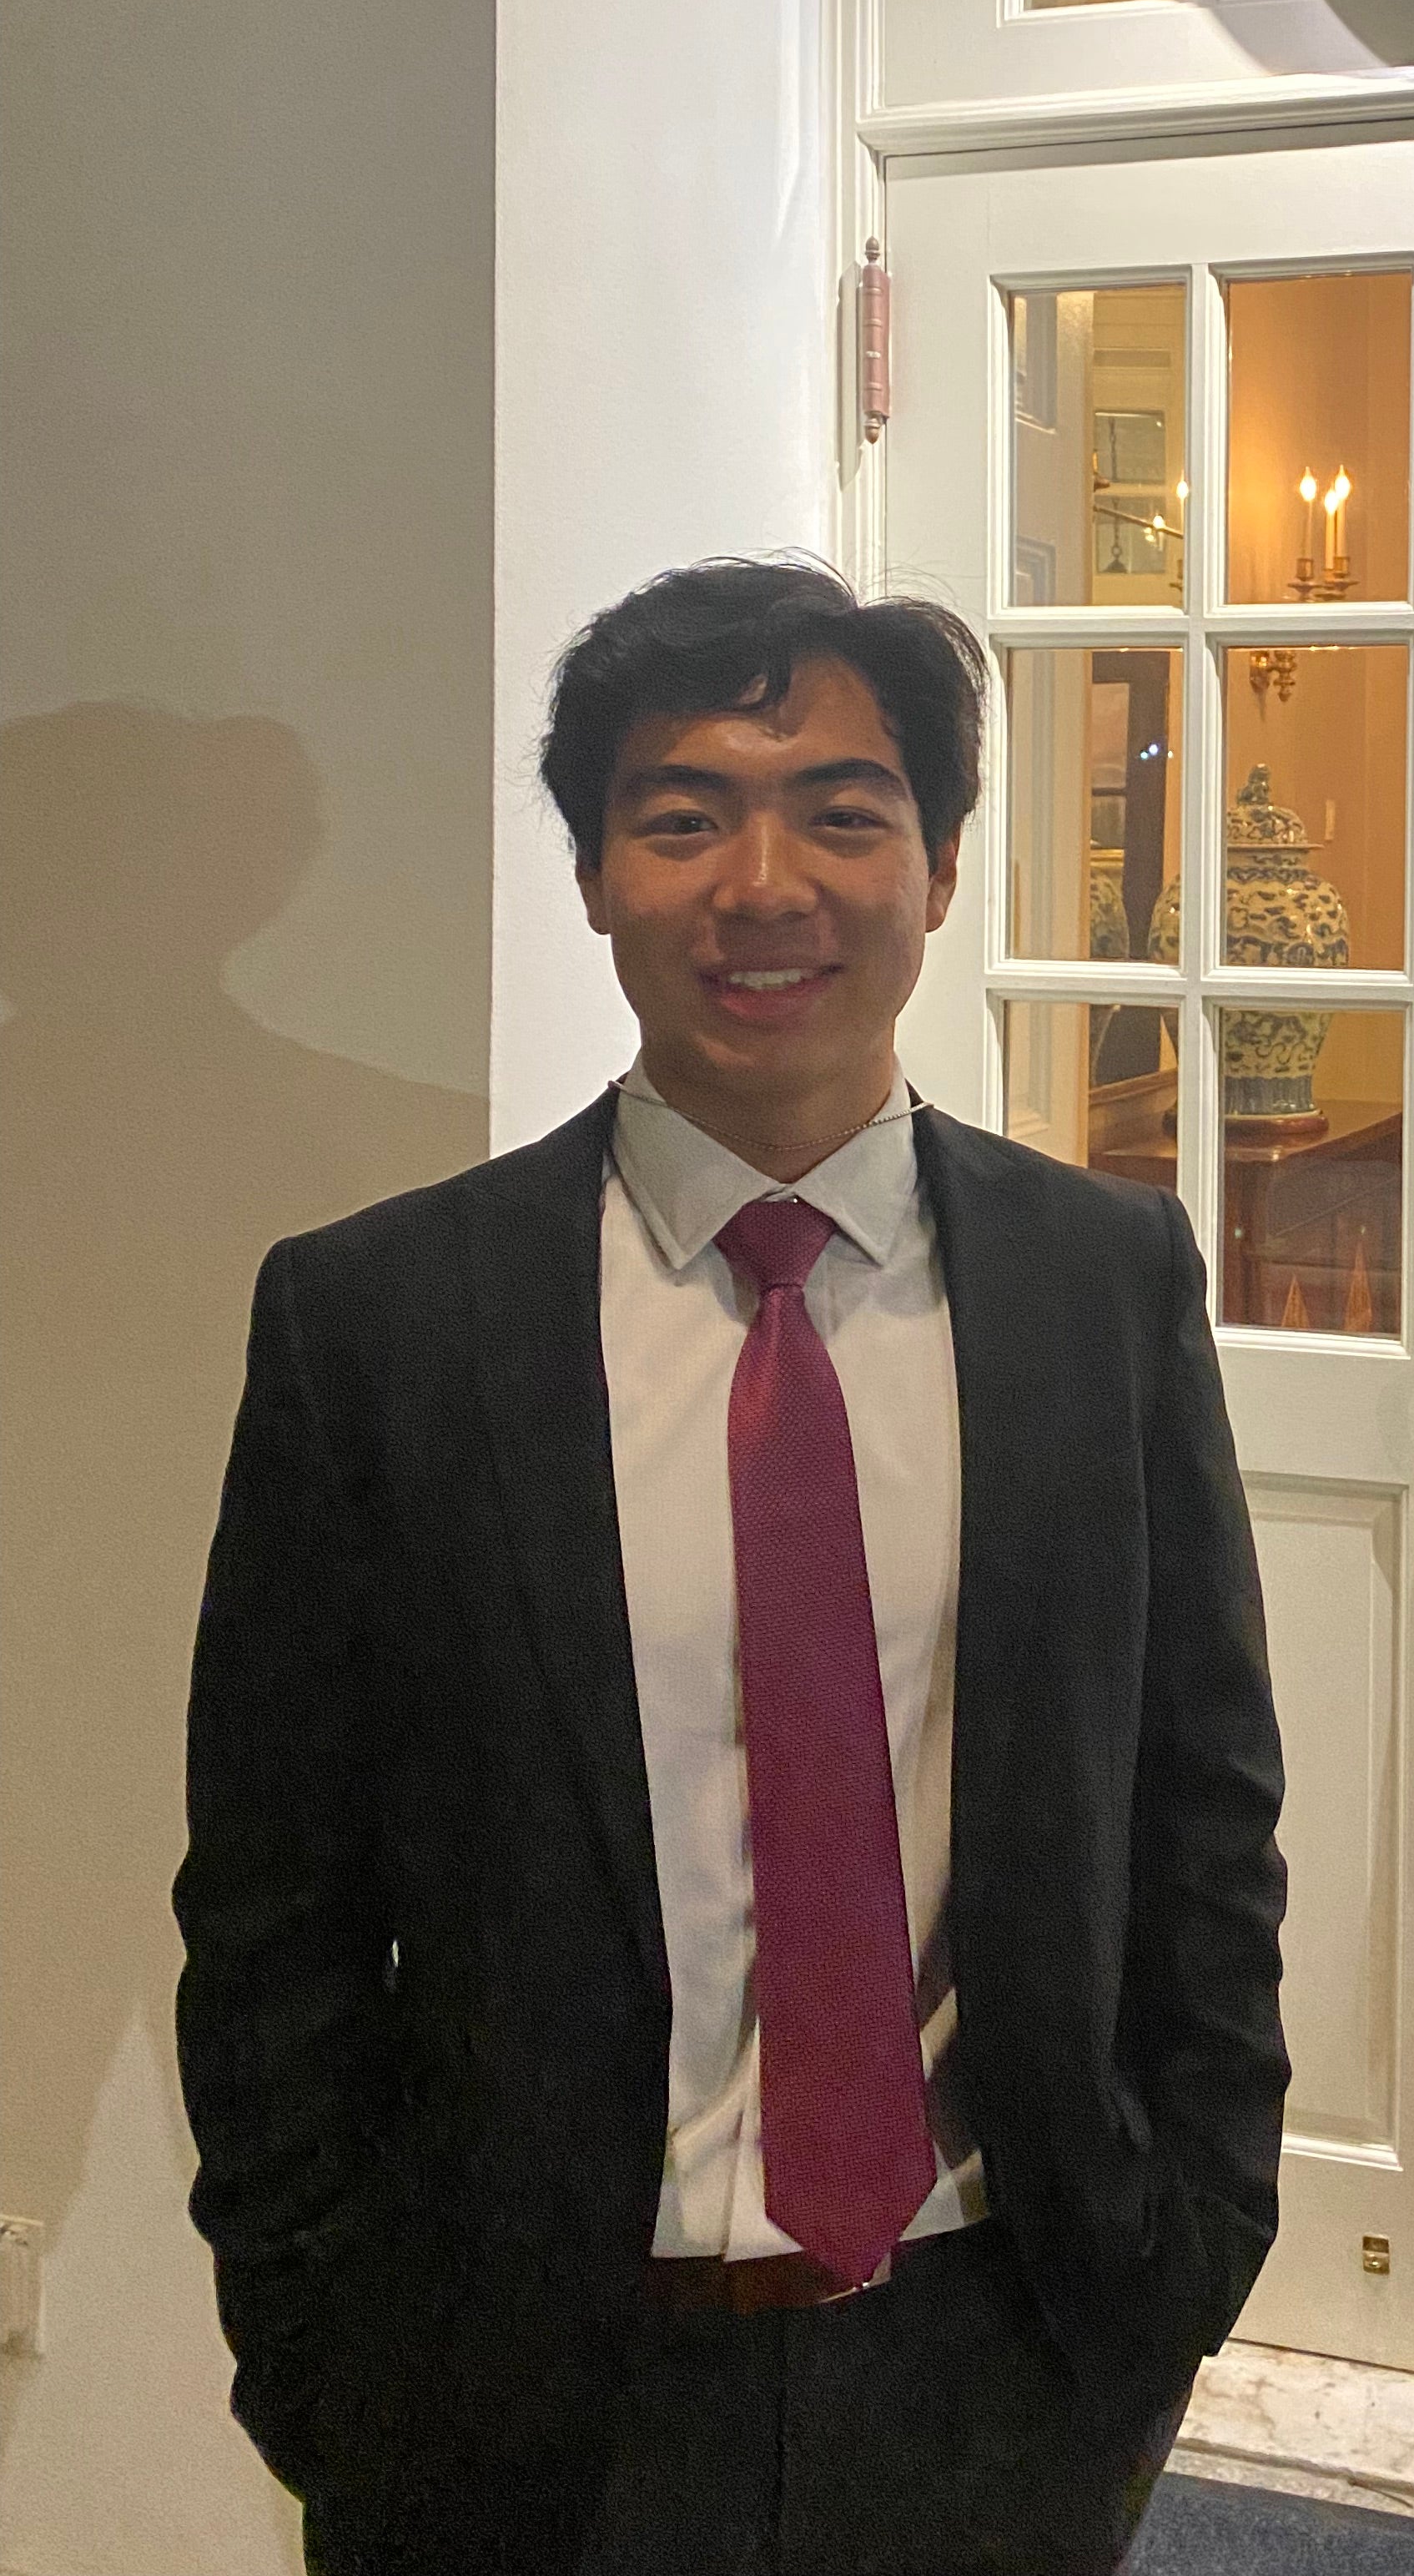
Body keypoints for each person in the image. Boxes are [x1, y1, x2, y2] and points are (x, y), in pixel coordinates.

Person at [172, 558, 1290, 2576]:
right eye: (680, 816)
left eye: (844, 812)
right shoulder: (384, 1324)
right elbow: (274, 1905)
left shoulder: (1102, 1290)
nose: (762, 882)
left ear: (941, 867)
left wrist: (1178, 2248)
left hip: (995, 2353)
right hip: (519, 2391)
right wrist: (320, 2346)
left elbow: (1203, 1809)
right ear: (595, 876)